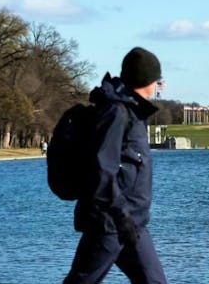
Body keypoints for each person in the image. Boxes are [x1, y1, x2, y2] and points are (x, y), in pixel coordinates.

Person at [64, 47, 167, 284]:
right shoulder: (116, 112)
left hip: (133, 224)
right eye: (157, 80)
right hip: (109, 223)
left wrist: (128, 219)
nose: (158, 85)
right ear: (146, 80)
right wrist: (121, 215)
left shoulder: (132, 111)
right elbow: (102, 168)